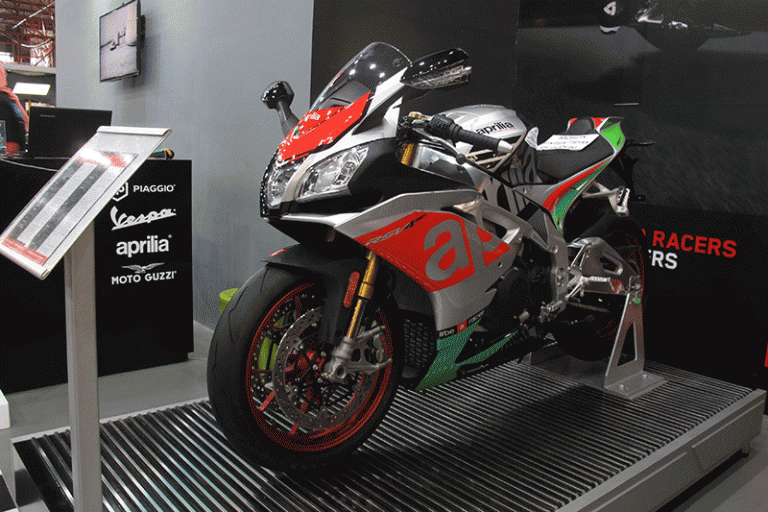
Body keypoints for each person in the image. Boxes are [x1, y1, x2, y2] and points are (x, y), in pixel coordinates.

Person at [0, 62, 30, 155]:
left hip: (14, 153)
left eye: (4, 72)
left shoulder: (9, 98)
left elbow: (27, 125)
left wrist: (17, 102)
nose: (5, 75)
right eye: (1, 73)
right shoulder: (4, 101)